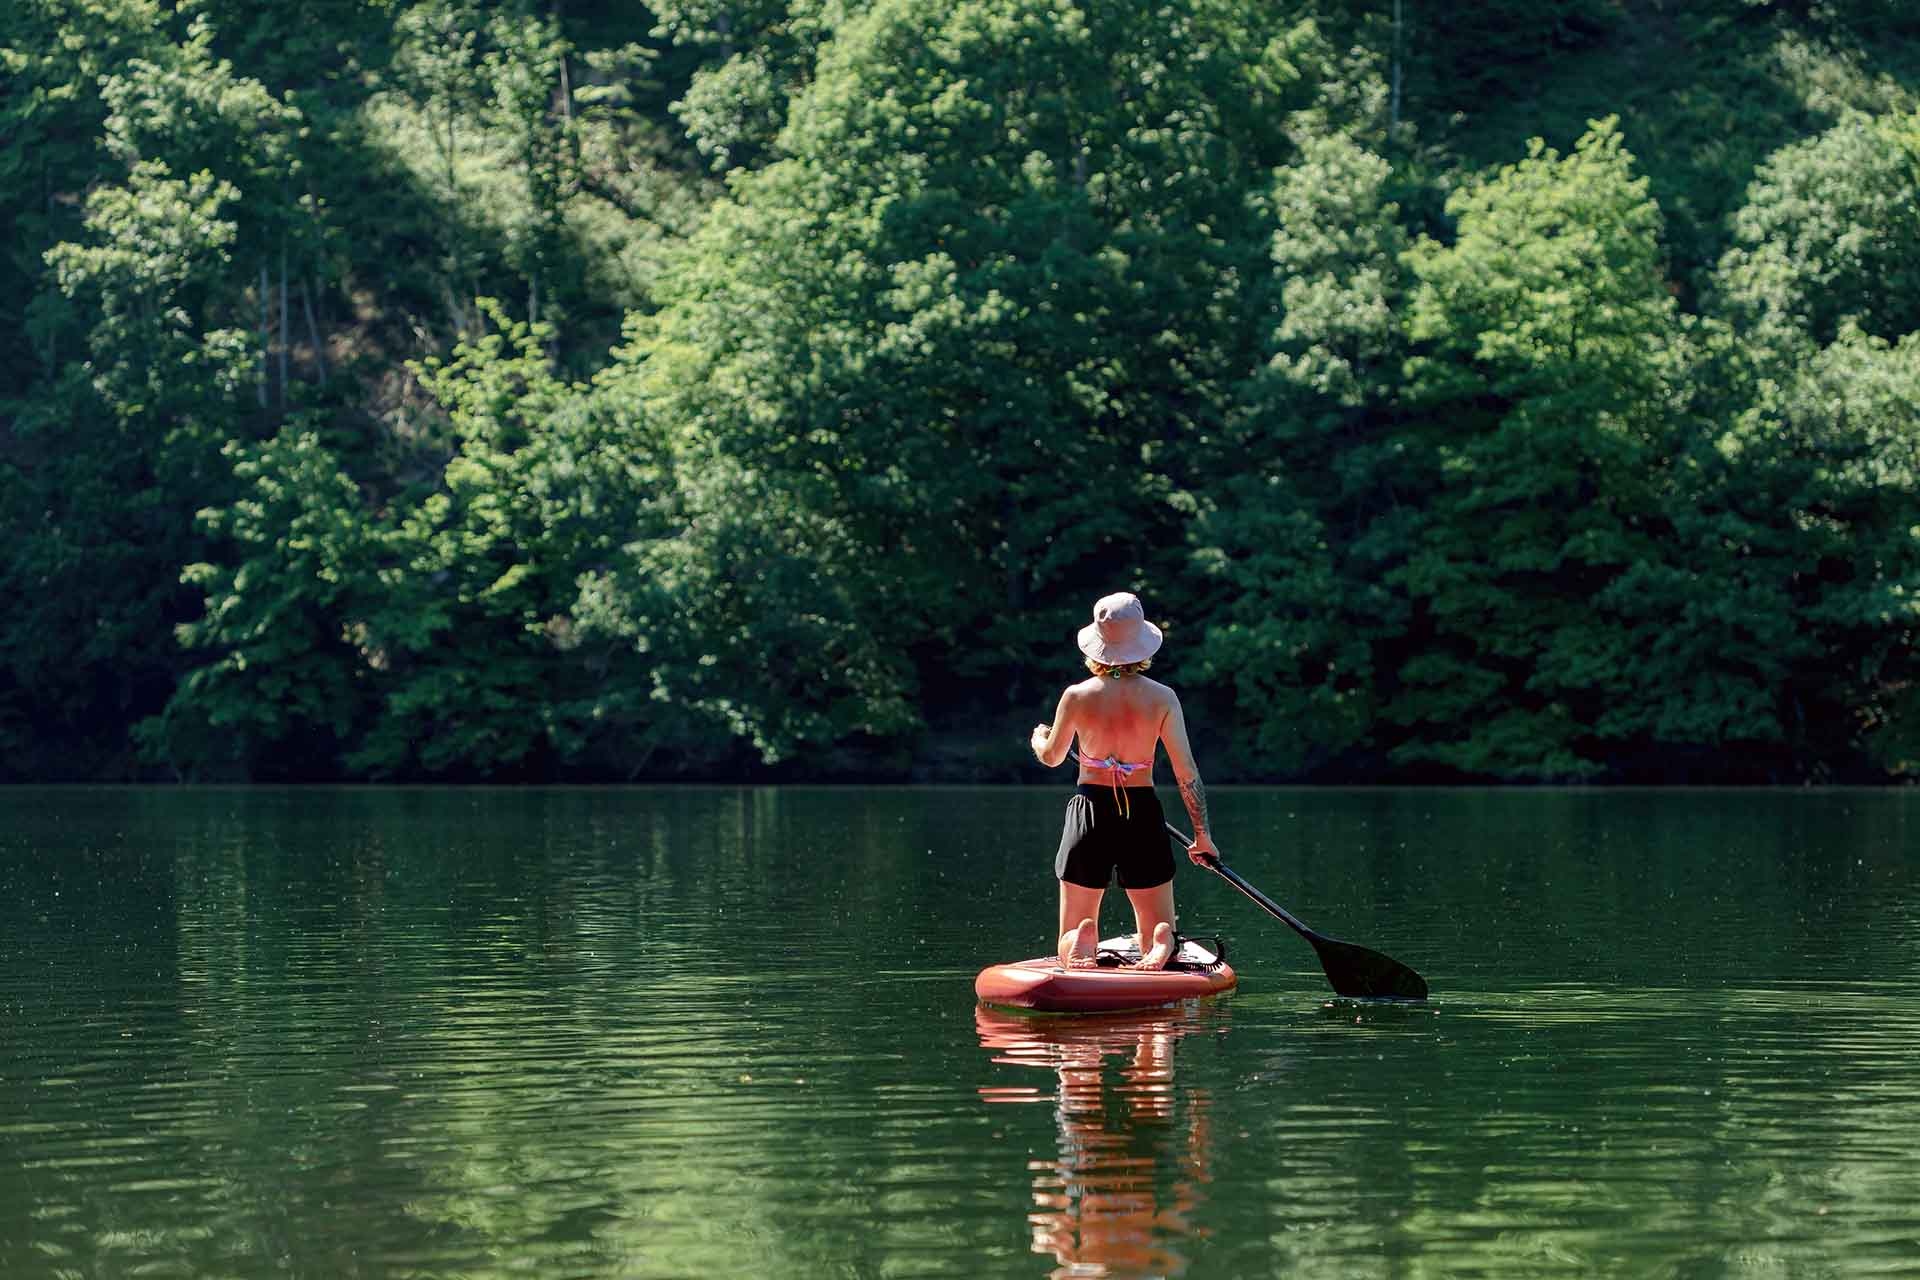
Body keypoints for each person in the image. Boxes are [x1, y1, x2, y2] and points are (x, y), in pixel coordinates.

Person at [1029, 592, 1217, 972]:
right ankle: (1161, 938)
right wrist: (1202, 836)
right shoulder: (1163, 698)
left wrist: (1039, 739)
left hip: (1090, 812)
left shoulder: (1077, 696)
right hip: (1143, 812)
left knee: (1073, 923)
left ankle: (1079, 939)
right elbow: (1187, 773)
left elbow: (1051, 757)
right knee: (1155, 922)